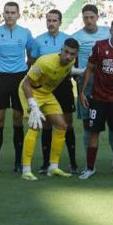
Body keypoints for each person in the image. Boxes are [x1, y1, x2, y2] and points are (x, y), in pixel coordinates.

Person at [78, 19, 113, 180]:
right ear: (110, 31)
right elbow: (89, 69)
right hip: (98, 98)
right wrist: (82, 92)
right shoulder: (99, 46)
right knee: (93, 132)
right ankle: (90, 168)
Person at [19, 39, 80, 181]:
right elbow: (26, 84)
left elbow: (67, 71)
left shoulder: (70, 62)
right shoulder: (44, 62)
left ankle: (53, 168)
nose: (68, 56)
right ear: (61, 49)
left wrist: (80, 71)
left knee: (62, 125)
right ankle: (26, 170)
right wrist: (33, 105)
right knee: (35, 126)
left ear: (76, 55)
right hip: (30, 92)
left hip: (46, 93)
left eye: (72, 54)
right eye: (66, 52)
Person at [0, 2, 34, 174]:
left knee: (17, 119)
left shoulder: (26, 33)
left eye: (13, 12)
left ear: (19, 14)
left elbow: (31, 55)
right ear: (3, 14)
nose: (10, 15)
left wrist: (25, 70)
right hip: (1, 79)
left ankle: (18, 163)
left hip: (20, 78)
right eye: (7, 12)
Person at [30, 9, 77, 174]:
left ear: (60, 22)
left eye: (54, 20)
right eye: (48, 20)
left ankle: (73, 163)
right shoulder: (38, 41)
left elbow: (72, 62)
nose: (51, 23)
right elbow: (33, 62)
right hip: (45, 87)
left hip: (63, 85)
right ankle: (46, 164)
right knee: (47, 124)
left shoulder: (68, 40)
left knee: (68, 123)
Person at [71, 5, 112, 165]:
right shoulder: (76, 36)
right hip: (85, 83)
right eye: (85, 17)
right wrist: (78, 75)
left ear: (97, 17)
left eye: (91, 17)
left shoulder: (107, 32)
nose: (89, 20)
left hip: (107, 81)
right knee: (88, 123)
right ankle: (90, 163)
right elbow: (71, 61)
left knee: (112, 122)